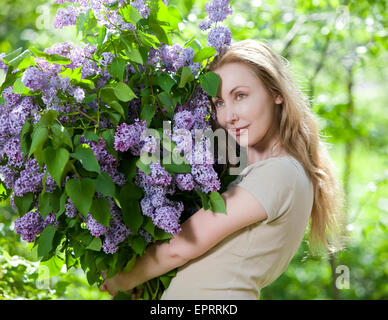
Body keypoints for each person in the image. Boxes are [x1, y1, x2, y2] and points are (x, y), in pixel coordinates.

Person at [100, 39, 345, 299]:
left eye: (240, 95)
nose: (228, 116)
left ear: (277, 93)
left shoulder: (279, 174)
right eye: (219, 103)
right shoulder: (267, 173)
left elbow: (181, 247)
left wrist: (122, 279)